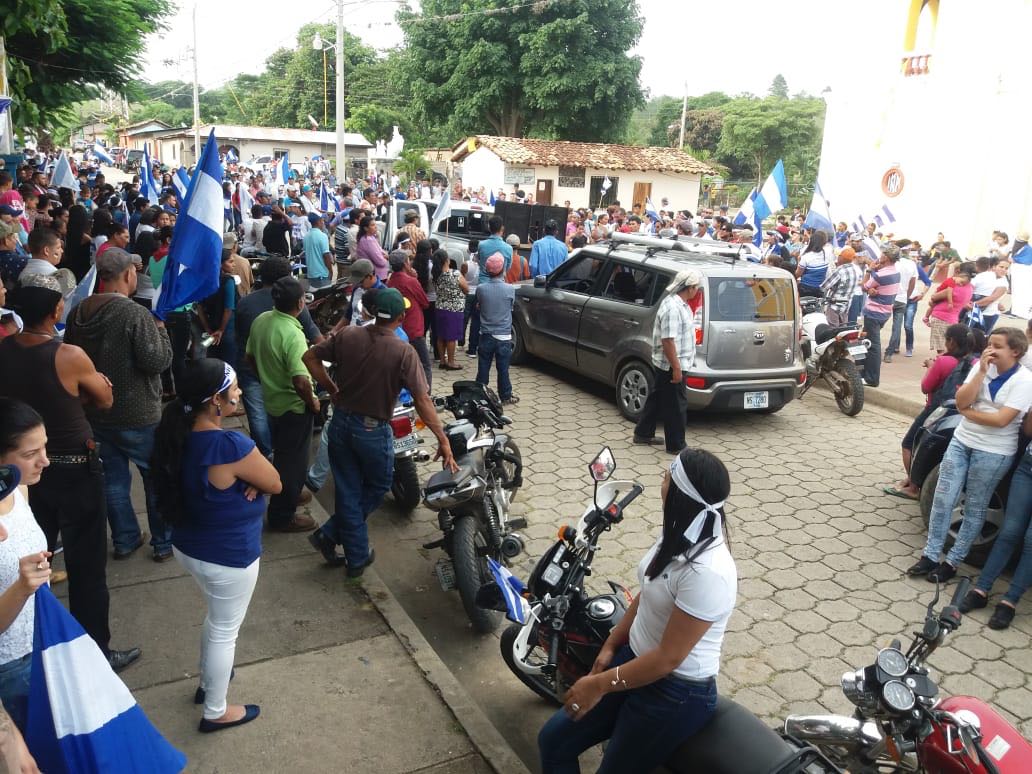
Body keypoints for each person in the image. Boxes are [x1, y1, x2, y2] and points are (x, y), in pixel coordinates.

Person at [538, 448, 736, 773]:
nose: (662, 479)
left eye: (667, 475)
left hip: (675, 692)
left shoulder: (709, 572)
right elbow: (648, 592)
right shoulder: (677, 534)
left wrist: (599, 684)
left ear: (679, 493)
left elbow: (668, 658)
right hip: (632, 659)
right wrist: (611, 646)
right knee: (554, 740)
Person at [0, 295, 141, 672]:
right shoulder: (68, 354)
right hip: (73, 468)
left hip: (25, 473)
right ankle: (96, 652)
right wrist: (87, 390)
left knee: (31, 558)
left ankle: (40, 644)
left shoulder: (5, 350)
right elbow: (106, 398)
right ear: (56, 312)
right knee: (87, 566)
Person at [151, 359, 280, 732]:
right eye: (234, 388)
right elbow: (275, 482)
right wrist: (248, 478)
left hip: (190, 548)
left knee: (217, 619)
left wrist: (244, 477)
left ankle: (209, 682)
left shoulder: (175, 434)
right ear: (215, 401)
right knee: (226, 630)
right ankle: (215, 710)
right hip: (228, 556)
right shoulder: (228, 444)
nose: (238, 393)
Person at [302, 288, 456, 573]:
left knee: (348, 490)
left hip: (341, 424)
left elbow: (309, 358)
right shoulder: (403, 352)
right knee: (376, 486)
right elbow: (422, 400)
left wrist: (331, 388)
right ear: (400, 317)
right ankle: (340, 542)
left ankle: (343, 544)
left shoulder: (348, 335)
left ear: (372, 313)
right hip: (371, 431)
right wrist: (442, 439)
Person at [64, 247, 174, 562]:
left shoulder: (79, 311)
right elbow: (157, 362)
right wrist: (162, 332)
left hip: (97, 413)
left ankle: (125, 539)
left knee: (112, 480)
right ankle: (163, 542)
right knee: (154, 477)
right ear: (128, 274)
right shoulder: (134, 314)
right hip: (138, 413)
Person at [909, 328, 1032, 583]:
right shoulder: (981, 366)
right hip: (962, 441)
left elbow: (1001, 420)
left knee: (975, 507)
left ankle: (953, 562)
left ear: (1015, 351)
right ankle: (930, 555)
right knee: (943, 499)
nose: (990, 350)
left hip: (994, 452)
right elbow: (961, 398)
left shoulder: (1025, 381)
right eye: (989, 344)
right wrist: (982, 373)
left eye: (997, 346)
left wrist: (967, 412)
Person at [245, 277, 319, 533]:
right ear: (300, 303)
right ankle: (282, 514)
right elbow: (301, 380)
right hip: (294, 407)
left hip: (272, 402)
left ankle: (290, 492)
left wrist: (267, 380)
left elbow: (250, 357)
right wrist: (312, 403)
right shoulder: (293, 333)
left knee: (283, 454)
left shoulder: (262, 320)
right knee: (294, 463)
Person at [235, 258, 324, 459]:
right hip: (284, 377)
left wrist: (258, 375)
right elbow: (315, 336)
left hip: (252, 371)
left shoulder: (246, 303)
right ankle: (281, 459)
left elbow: (242, 344)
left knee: (258, 415)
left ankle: (266, 455)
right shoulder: (292, 302)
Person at [0, 411, 51, 733]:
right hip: (10, 668)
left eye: (45, 448)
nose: (44, 461)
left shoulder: (17, 489)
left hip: (43, 640)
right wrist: (21, 587)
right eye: (30, 454)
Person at [886, 324, 977, 500]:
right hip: (959, 416)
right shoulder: (975, 363)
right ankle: (915, 481)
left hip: (935, 411)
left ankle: (913, 487)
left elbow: (926, 387)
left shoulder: (943, 361)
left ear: (951, 342)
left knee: (910, 444)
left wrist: (930, 366)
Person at [961, 409, 1032, 629]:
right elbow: (1028, 430)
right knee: (1010, 531)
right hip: (1028, 468)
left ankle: (1009, 601)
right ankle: (981, 590)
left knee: (1031, 541)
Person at [633, 270, 700, 454]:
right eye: (696, 287)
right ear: (690, 288)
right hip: (671, 364)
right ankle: (676, 445)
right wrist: (676, 368)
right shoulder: (673, 307)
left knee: (658, 398)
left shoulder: (680, 304)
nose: (697, 291)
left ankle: (643, 432)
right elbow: (668, 340)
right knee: (677, 406)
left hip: (670, 363)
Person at [476, 253, 519, 405]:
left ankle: (480, 394)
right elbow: (510, 307)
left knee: (483, 367)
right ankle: (505, 395)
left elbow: (479, 306)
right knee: (503, 368)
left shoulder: (481, 288)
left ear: (487, 271)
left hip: (486, 334)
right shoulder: (510, 289)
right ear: (503, 270)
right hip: (504, 336)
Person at [386, 249, 432, 388]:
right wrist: (415, 279)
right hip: (413, 328)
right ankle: (425, 395)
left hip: (397, 328)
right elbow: (425, 302)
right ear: (406, 264)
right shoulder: (410, 281)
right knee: (424, 365)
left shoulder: (390, 281)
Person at [860, 245, 902, 388]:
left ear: (886, 257)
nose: (880, 255)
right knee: (868, 342)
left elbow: (863, 286)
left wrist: (869, 270)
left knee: (872, 345)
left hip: (874, 312)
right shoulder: (895, 272)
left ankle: (871, 378)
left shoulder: (881, 274)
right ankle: (864, 373)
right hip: (884, 312)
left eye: (883, 253)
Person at [925, 264, 975, 354]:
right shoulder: (970, 288)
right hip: (953, 318)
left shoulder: (954, 286)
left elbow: (934, 297)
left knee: (941, 346)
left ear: (959, 271)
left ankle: (943, 363)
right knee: (950, 345)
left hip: (940, 316)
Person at [882, 246, 918, 363]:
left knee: (878, 323)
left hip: (889, 296)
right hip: (902, 298)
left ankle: (873, 347)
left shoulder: (892, 264)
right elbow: (913, 281)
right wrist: (907, 296)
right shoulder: (911, 264)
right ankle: (889, 353)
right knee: (896, 327)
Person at [433, 248, 468, 370]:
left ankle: (442, 360)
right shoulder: (455, 274)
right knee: (451, 337)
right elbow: (466, 289)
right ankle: (451, 362)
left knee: (441, 335)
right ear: (446, 260)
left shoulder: (436, 275)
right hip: (454, 310)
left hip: (440, 308)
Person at [819, 247, 859, 326]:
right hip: (846, 306)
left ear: (841, 258)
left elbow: (823, 287)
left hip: (834, 306)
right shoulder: (855, 270)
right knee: (842, 330)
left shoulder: (840, 270)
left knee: (832, 330)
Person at [795, 231, 834, 297]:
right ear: (824, 243)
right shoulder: (828, 254)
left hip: (805, 288)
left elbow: (798, 274)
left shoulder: (806, 257)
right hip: (819, 289)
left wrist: (798, 261)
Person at [477, 216, 513, 282]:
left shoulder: (481, 245)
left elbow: (479, 261)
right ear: (502, 228)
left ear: (489, 228)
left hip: (483, 282)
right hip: (500, 283)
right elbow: (507, 268)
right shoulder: (509, 248)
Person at [303, 213, 332, 289]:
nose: (323, 222)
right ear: (319, 221)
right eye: (322, 220)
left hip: (311, 274)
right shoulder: (322, 236)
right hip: (322, 275)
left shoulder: (306, 236)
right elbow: (326, 256)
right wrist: (330, 271)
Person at [354, 216, 389, 280]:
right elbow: (380, 261)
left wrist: (384, 255)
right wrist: (385, 258)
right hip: (376, 276)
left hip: (378, 275)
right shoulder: (367, 240)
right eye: (372, 225)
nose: (376, 227)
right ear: (366, 228)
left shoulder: (371, 237)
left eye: (375, 224)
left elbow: (382, 252)